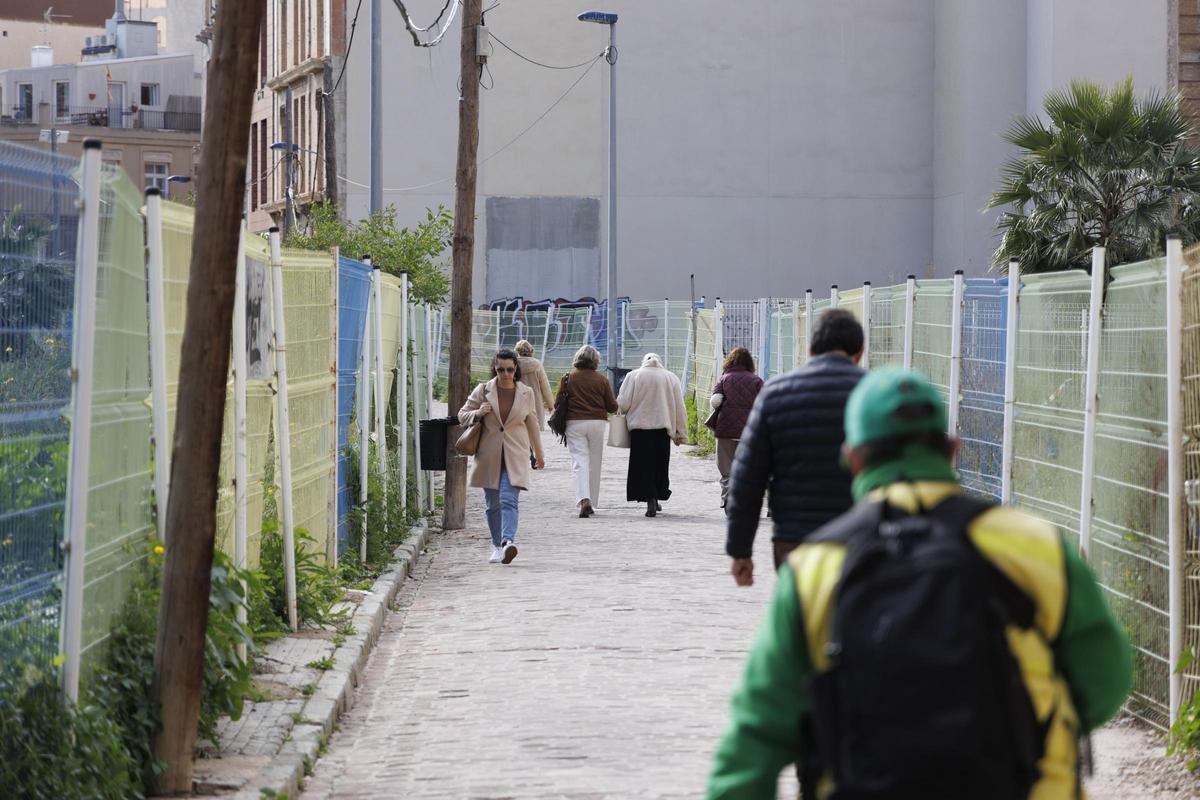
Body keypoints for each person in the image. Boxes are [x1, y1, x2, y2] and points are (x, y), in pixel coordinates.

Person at [707, 368, 1132, 799]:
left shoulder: (814, 570)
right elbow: (1106, 679)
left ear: (853, 459)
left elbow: (755, 737)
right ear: (951, 450)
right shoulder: (1036, 547)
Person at [725, 308, 865, 585]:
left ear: (811, 350)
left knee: (800, 621)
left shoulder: (776, 394)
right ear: (860, 351)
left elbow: (747, 478)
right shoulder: (874, 393)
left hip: (794, 539)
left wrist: (740, 551)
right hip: (860, 539)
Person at [458, 349, 546, 564]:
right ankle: (497, 545)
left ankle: (508, 542)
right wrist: (478, 413)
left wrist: (539, 454)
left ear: (516, 368)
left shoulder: (526, 393)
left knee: (509, 499)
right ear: (494, 368)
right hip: (489, 454)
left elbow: (532, 423)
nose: (505, 374)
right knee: (492, 505)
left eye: (509, 369)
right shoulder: (483, 390)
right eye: (500, 369)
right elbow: (461, 415)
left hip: (516, 453)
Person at [617, 352, 688, 517]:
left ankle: (649, 498)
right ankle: (655, 497)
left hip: (639, 430)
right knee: (659, 465)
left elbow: (623, 403)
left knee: (642, 466)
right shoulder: (671, 378)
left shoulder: (633, 376)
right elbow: (679, 408)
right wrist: (680, 433)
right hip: (663, 429)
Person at [554, 344, 618, 517]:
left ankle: (584, 499)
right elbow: (612, 406)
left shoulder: (568, 378)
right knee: (594, 462)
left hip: (574, 423)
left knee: (579, 462)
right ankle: (592, 500)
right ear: (595, 360)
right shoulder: (602, 380)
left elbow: (557, 403)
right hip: (597, 423)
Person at [709, 347, 764, 509]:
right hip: (750, 431)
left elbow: (715, 401)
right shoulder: (756, 381)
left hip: (726, 429)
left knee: (726, 469)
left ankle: (727, 496)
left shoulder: (724, 379)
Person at [515, 339, 555, 429]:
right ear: (531, 351)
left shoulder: (513, 365)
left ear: (518, 351)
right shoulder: (537, 364)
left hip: (517, 402)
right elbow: (545, 387)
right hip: (534, 402)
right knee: (534, 432)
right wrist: (551, 406)